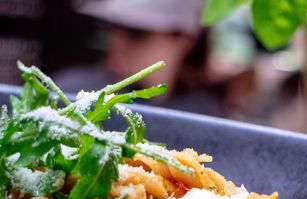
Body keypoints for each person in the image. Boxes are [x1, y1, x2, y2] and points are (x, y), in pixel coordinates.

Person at [54, 0, 226, 116]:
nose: (118, 41)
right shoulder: (72, 92)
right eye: (113, 26)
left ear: (185, 39)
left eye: (136, 32)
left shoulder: (203, 111)